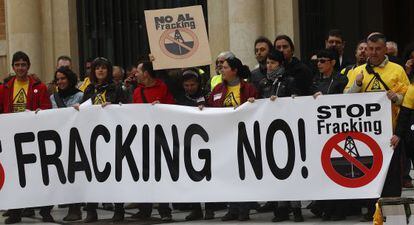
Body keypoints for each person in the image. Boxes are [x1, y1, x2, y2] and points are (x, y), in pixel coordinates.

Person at [345, 33, 410, 221]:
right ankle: (371, 213)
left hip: (391, 135)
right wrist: (357, 84)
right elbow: (345, 101)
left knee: (391, 177)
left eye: (377, 49)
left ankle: (392, 215)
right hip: (365, 136)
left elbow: (408, 101)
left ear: (384, 49)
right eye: (369, 49)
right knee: (368, 175)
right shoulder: (357, 72)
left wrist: (395, 98)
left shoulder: (397, 70)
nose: (372, 52)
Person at [0, 51, 53, 224]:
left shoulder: (40, 87)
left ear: (28, 66)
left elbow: (46, 108)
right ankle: (15, 212)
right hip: (12, 139)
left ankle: (46, 211)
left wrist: (39, 113)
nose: (20, 67)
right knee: (15, 175)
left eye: (23, 64)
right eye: (17, 64)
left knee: (39, 173)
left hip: (34, 138)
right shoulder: (5, 87)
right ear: (13, 67)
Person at [208, 56, 257, 221]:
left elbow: (257, 108)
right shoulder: (217, 90)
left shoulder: (248, 88)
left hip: (243, 136)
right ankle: (232, 208)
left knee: (243, 173)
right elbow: (210, 107)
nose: (221, 69)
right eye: (221, 67)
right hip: (224, 137)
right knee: (228, 173)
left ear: (235, 70)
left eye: (225, 67)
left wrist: (253, 103)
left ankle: (244, 209)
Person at [80, 57, 126, 223]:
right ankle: (91, 211)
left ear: (108, 71)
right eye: (97, 68)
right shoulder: (89, 89)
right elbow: (83, 108)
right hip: (92, 139)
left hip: (112, 138)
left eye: (103, 68)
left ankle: (119, 210)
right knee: (91, 176)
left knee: (114, 175)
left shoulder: (117, 88)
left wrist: (113, 107)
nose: (100, 70)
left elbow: (125, 108)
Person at [131, 60, 174, 222]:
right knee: (144, 174)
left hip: (161, 137)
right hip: (143, 138)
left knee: (161, 174)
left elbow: (172, 107)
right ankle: (144, 209)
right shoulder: (136, 91)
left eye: (138, 71)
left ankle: (165, 210)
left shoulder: (163, 87)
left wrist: (161, 106)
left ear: (146, 73)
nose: (136, 74)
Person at [49, 66, 83, 221]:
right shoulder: (52, 98)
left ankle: (75, 208)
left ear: (69, 79)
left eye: (63, 78)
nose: (60, 81)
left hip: (77, 141)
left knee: (74, 175)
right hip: (59, 141)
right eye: (58, 79)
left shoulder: (80, 96)